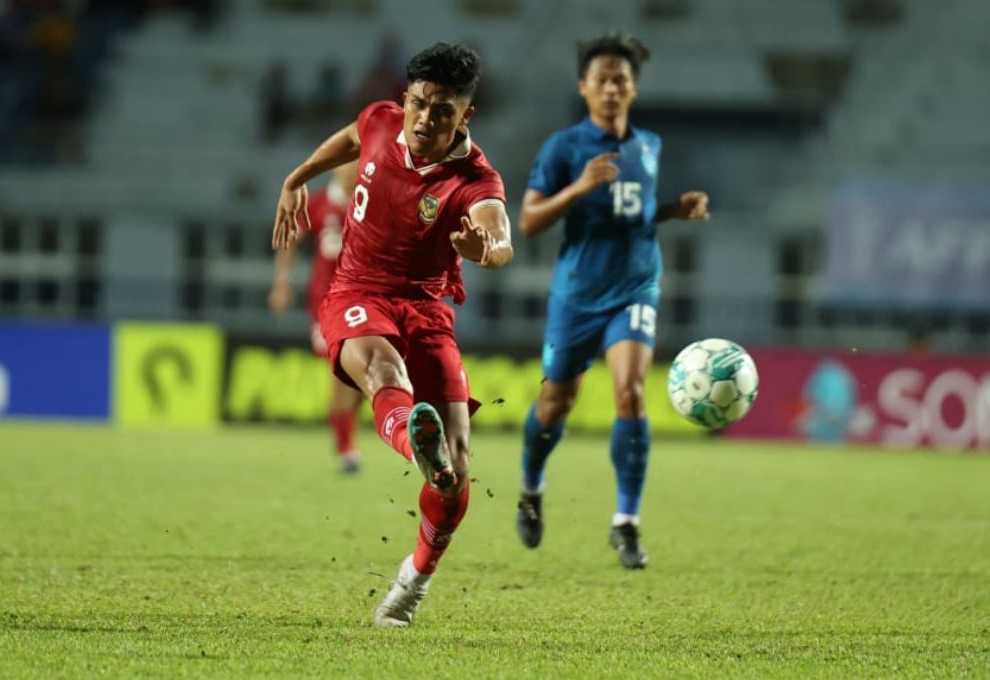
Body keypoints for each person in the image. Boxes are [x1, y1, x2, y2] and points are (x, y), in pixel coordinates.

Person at [271, 42, 512, 627]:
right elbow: (352, 138)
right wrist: (298, 175)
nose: (427, 119)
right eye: (420, 104)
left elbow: (499, 236)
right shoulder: (381, 120)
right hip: (355, 292)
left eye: (444, 110)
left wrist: (487, 251)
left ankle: (412, 582)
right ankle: (412, 439)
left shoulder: (475, 180)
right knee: (382, 369)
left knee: (457, 478)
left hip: (427, 311)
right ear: (405, 99)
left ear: (466, 116)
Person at [513, 32, 710, 570]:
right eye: (600, 79)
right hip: (577, 294)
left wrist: (674, 210)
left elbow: (635, 213)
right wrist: (577, 189)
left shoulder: (648, 146)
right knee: (557, 404)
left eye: (620, 79)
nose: (610, 88)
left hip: (636, 285)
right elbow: (528, 222)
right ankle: (531, 488)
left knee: (631, 392)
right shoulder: (564, 148)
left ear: (633, 89)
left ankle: (626, 522)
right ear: (584, 87)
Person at [268, 163, 364, 475]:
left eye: (358, 168)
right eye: (347, 167)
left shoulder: (368, 204)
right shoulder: (319, 203)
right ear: (336, 171)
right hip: (326, 302)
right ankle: (347, 445)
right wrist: (281, 283)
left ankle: (344, 437)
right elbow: (290, 240)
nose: (352, 173)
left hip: (364, 301)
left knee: (359, 376)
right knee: (343, 372)